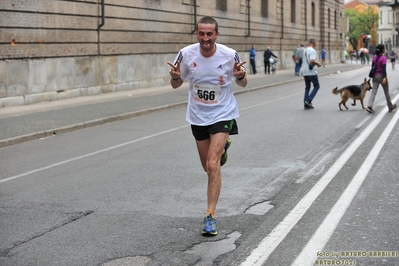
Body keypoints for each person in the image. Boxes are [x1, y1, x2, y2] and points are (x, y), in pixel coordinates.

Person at [167, 16, 247, 236]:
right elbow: (176, 83)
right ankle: (223, 148)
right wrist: (174, 78)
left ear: (216, 35)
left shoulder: (229, 55)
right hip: (198, 116)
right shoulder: (186, 54)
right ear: (197, 34)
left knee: (213, 164)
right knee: (208, 167)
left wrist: (240, 76)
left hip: (223, 114)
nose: (205, 38)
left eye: (209, 34)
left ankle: (210, 216)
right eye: (202, 33)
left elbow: (242, 82)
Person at [365, 44, 397, 113]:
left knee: (373, 91)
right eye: (384, 48)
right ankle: (390, 106)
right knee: (386, 92)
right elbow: (383, 69)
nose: (385, 49)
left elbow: (372, 67)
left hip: (375, 76)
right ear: (382, 50)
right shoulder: (383, 58)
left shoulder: (374, 57)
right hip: (381, 76)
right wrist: (384, 77)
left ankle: (369, 106)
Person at [302, 38, 322, 109]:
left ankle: (306, 103)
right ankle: (308, 100)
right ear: (314, 43)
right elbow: (311, 60)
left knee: (307, 87)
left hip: (304, 71)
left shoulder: (305, 50)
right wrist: (318, 63)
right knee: (317, 86)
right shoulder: (313, 50)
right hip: (311, 72)